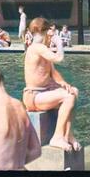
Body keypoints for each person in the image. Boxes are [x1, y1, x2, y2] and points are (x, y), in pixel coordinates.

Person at [22, 17, 80, 151]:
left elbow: (53, 72)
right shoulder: (37, 48)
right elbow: (59, 58)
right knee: (68, 97)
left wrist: (64, 84)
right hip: (34, 96)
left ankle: (68, 135)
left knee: (74, 91)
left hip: (44, 94)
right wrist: (59, 42)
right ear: (46, 31)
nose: (52, 35)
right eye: (51, 31)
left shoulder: (43, 49)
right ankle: (57, 137)